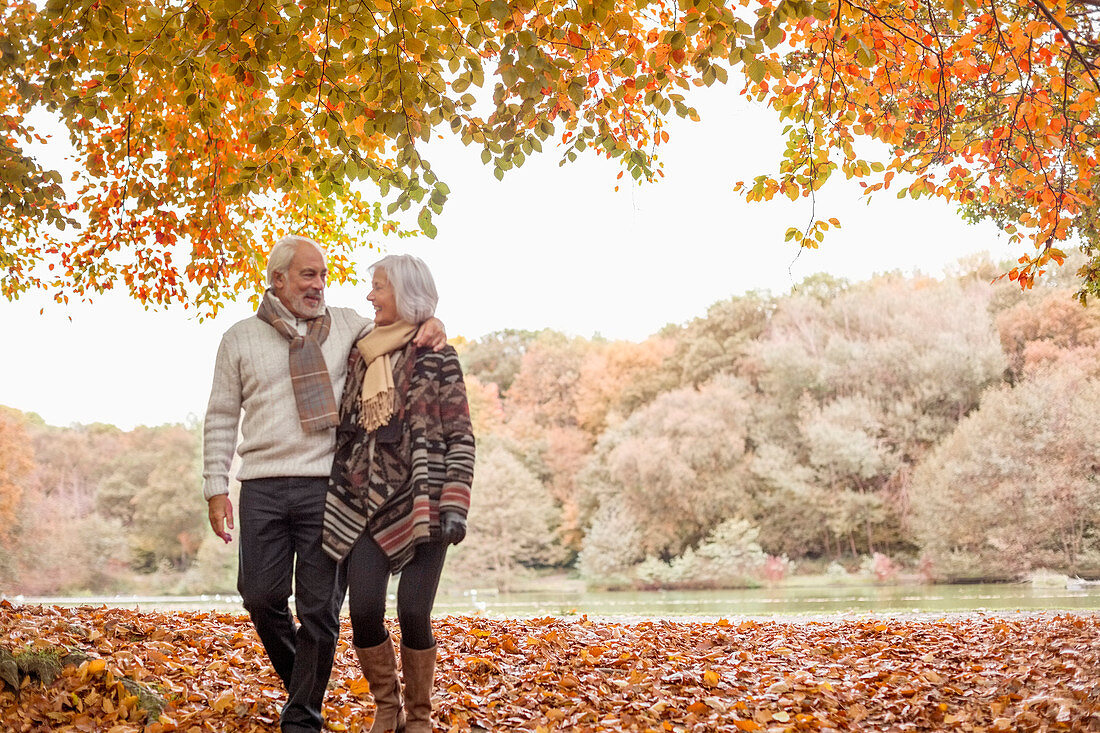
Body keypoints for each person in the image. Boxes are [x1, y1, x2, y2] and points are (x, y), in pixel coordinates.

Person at [202, 236, 446, 733]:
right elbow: (222, 416)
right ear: (278, 280)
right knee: (259, 596)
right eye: (307, 275)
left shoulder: (349, 327)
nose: (319, 285)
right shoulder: (239, 338)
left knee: (319, 608)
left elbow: (398, 325)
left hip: (328, 489)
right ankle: (304, 684)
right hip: (262, 486)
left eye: (322, 275)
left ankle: (303, 717)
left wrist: (433, 323)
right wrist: (215, 486)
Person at [322, 254, 474, 733]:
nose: (369, 296)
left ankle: (420, 715)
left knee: (413, 610)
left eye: (379, 287)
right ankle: (388, 706)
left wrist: (455, 503)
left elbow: (460, 435)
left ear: (406, 294)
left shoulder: (438, 355)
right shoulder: (358, 350)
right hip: (364, 502)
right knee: (363, 609)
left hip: (425, 505)